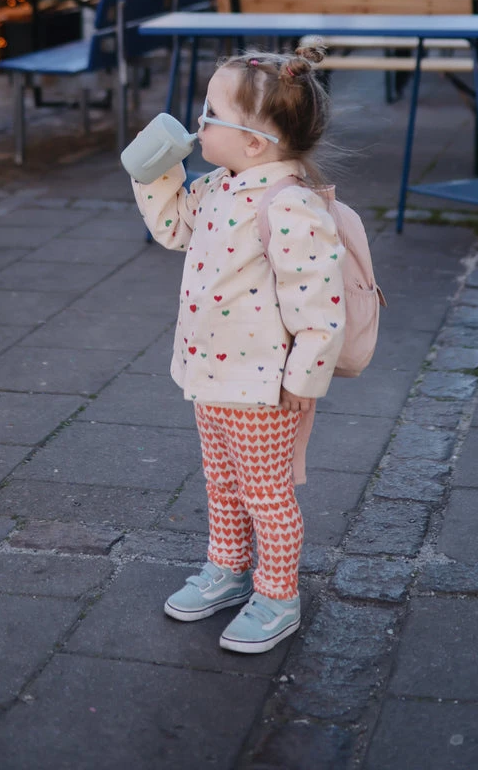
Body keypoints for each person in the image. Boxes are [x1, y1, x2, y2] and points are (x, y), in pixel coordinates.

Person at [129, 41, 346, 654]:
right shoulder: (218, 187)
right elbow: (173, 229)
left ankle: (277, 595)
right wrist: (154, 171)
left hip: (262, 386)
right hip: (210, 376)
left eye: (209, 114)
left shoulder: (290, 205)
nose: (197, 123)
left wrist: (300, 381)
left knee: (266, 496)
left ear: (254, 143)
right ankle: (227, 568)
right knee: (221, 482)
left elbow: (320, 305)